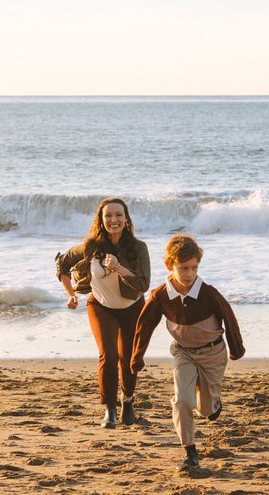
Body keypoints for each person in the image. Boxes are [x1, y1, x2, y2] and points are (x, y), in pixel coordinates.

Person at [131, 235, 245, 471]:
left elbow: (229, 316)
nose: (189, 274)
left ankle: (214, 405)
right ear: (170, 266)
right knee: (182, 400)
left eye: (194, 268)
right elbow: (145, 324)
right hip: (183, 353)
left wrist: (236, 348)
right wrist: (137, 356)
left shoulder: (208, 293)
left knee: (204, 410)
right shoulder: (161, 295)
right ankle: (190, 452)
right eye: (183, 268)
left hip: (213, 354)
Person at [56, 197, 150, 429]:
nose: (113, 220)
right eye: (108, 216)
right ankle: (109, 408)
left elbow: (143, 284)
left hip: (132, 308)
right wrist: (70, 294)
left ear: (126, 219)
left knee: (128, 360)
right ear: (101, 220)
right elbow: (62, 263)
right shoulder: (91, 246)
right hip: (100, 306)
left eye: (118, 215)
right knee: (108, 355)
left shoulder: (138, 247)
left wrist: (118, 267)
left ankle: (127, 400)